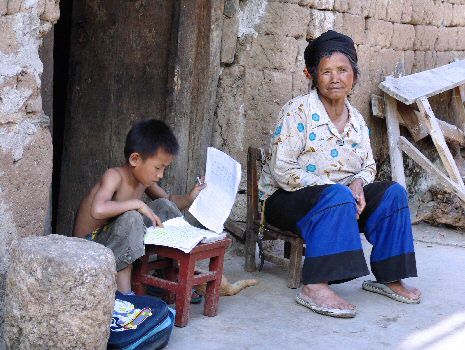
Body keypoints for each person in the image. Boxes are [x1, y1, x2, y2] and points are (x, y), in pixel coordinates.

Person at [258, 30, 421, 318]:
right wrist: (339, 189)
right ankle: (315, 285)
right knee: (336, 195)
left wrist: (358, 184)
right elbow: (282, 171)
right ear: (313, 76)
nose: (335, 78)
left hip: (342, 201)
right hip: (287, 200)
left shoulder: (357, 121)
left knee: (393, 193)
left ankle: (389, 276)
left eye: (343, 70)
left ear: (354, 77)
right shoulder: (298, 111)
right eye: (326, 71)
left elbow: (368, 165)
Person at [73, 119, 206, 295]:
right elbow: (98, 209)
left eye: (164, 169)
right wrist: (137, 204)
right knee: (132, 217)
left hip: (114, 241)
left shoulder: (144, 180)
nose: (160, 175)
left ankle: (171, 276)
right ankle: (125, 294)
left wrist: (190, 198)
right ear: (135, 159)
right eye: (158, 167)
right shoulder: (114, 176)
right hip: (88, 248)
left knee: (164, 206)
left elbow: (168, 201)